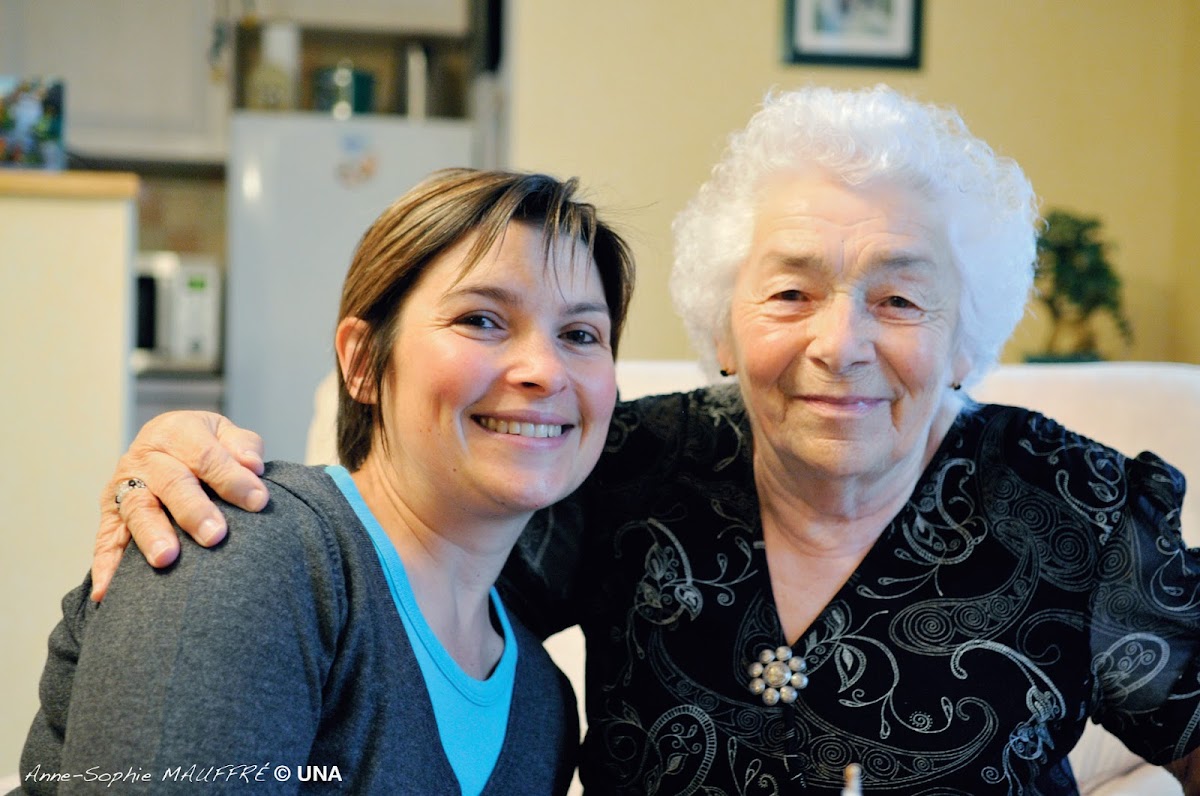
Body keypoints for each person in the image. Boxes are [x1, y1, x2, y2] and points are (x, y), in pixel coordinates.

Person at [89, 86, 1200, 794]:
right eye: (790, 293)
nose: (842, 344)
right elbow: (411, 562)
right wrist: (213, 473)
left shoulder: (1078, 505)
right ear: (723, 325)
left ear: (969, 334)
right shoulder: (623, 462)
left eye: (902, 301)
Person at [18, 168, 635, 795]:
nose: (544, 370)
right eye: (481, 320)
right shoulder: (249, 558)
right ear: (363, 362)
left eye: (581, 334)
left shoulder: (543, 707)